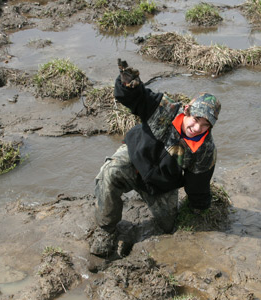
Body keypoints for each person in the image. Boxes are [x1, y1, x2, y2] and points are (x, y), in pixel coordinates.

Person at [90, 59, 221, 257]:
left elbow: (198, 185)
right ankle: (106, 231)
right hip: (134, 160)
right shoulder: (164, 108)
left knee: (168, 227)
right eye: (195, 120)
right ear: (187, 110)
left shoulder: (205, 150)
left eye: (205, 125)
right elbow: (137, 98)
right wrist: (128, 84)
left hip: (161, 184)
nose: (197, 129)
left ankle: (148, 197)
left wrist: (199, 210)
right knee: (109, 174)